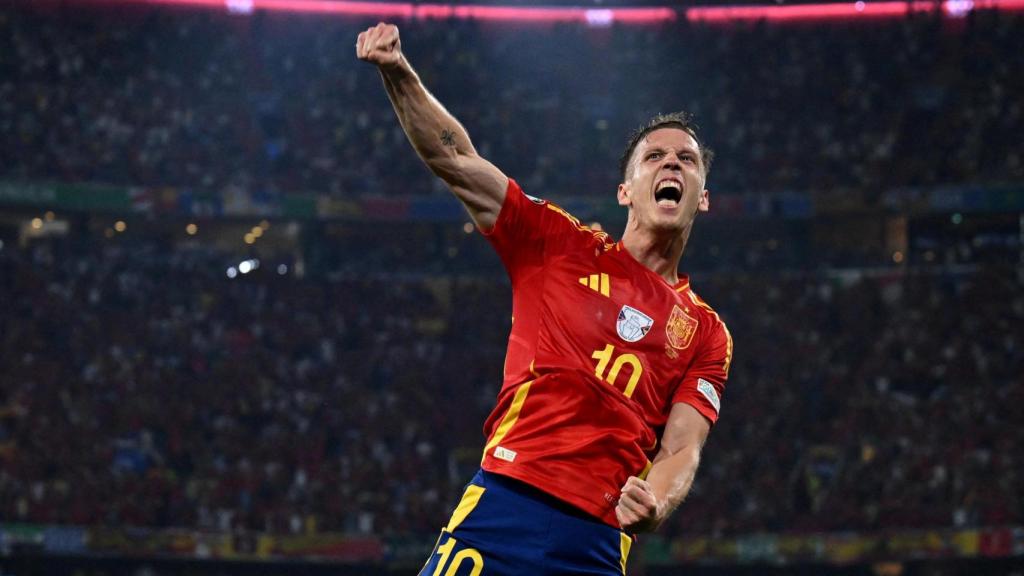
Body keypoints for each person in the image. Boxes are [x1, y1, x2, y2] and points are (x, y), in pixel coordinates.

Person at [357, 22, 733, 576]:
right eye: (654, 157)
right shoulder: (558, 244)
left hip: (597, 544)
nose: (673, 163)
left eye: (688, 159)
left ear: (703, 198)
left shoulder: (706, 333)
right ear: (626, 191)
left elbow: (682, 450)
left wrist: (657, 499)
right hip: (506, 507)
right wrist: (399, 73)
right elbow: (457, 160)